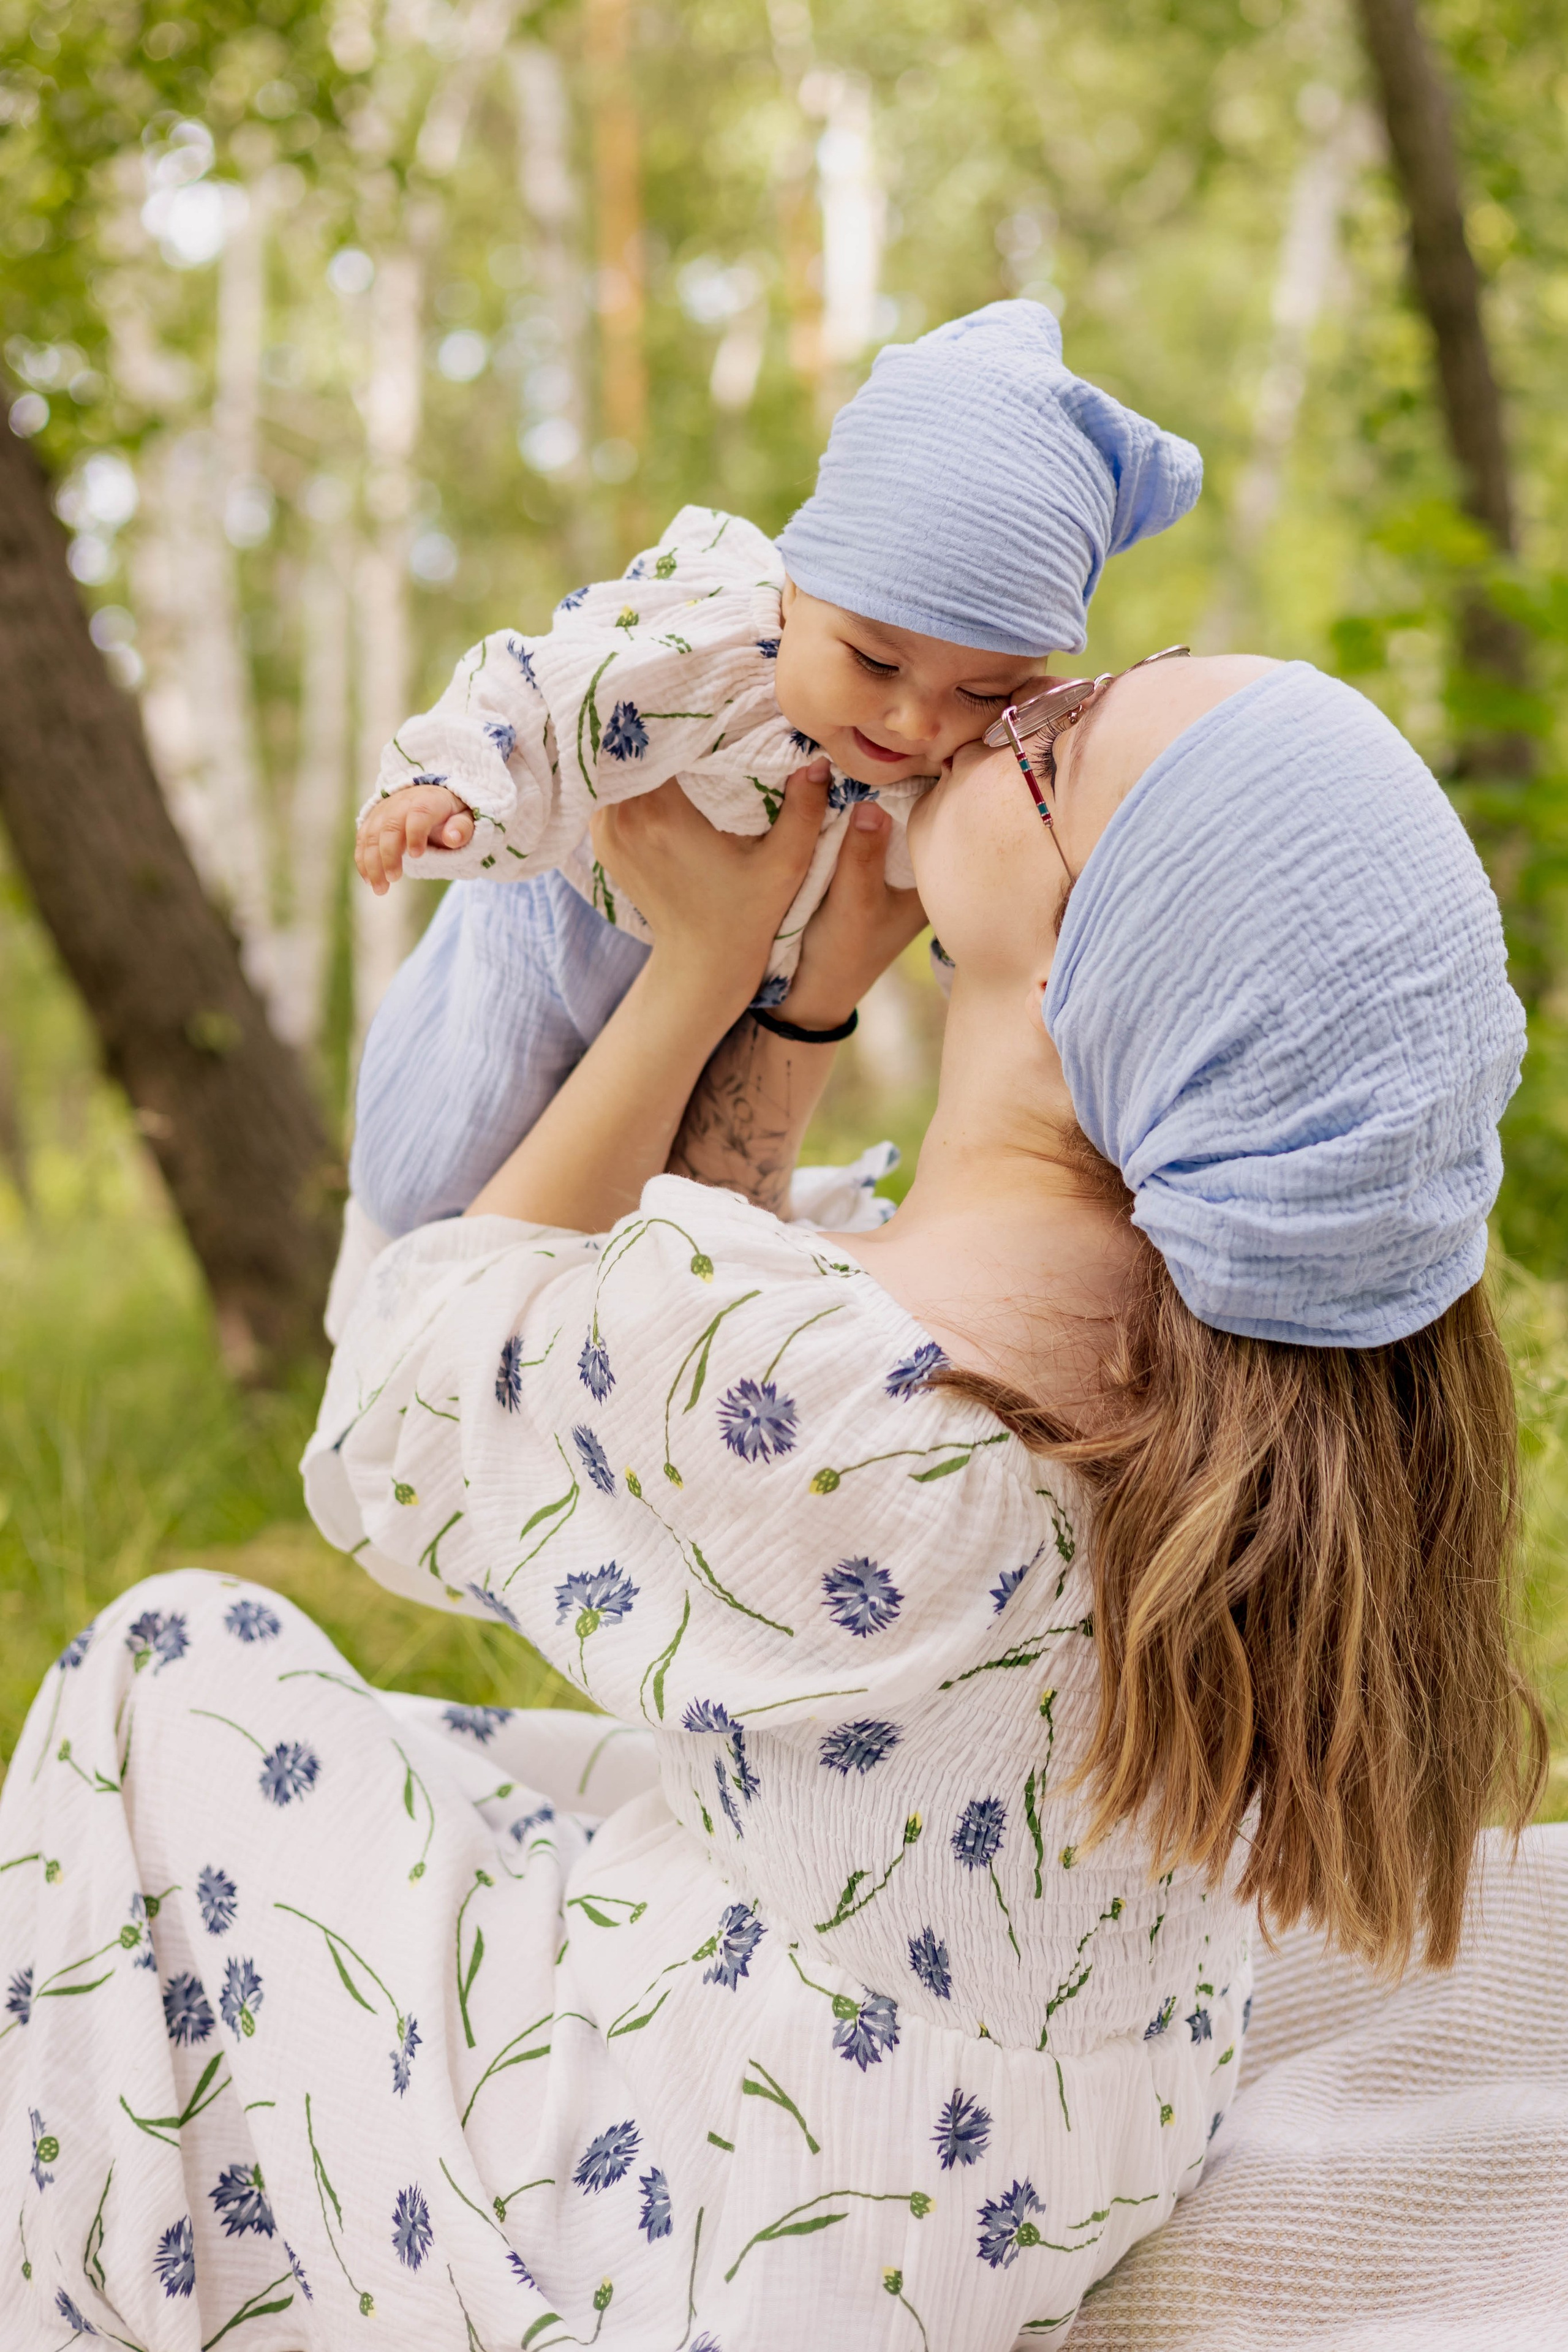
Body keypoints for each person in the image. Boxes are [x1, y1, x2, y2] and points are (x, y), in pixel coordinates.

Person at [0, 654, 1546, 2352]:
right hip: (1023, 2167)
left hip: (724, 2225)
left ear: (1086, 951)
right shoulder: (1231, 1357)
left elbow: (396, 1410)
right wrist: (803, 1011)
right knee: (503, 1779)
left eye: (1064, 734)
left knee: (162, 1665)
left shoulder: (845, 1396)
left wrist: (702, 968)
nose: (1011, 700)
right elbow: (692, 1349)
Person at [343, 299, 1200, 1252]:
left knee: (624, 1240)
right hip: (558, 927)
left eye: (980, 690)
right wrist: (446, 783)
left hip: (738, 1005)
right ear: (794, 588)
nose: (915, 721)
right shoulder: (712, 645)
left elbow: (995, 930)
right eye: (874, 662)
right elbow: (537, 687)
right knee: (420, 1177)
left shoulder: (965, 772)